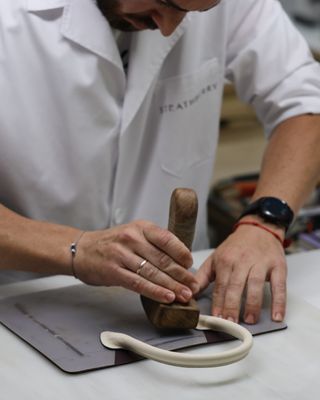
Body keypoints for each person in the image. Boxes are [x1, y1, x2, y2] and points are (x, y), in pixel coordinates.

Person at [0, 0, 320, 325]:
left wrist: (264, 221)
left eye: (195, 12)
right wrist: (77, 249)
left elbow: (304, 102)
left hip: (182, 299)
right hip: (24, 299)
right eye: (164, 1)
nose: (169, 28)